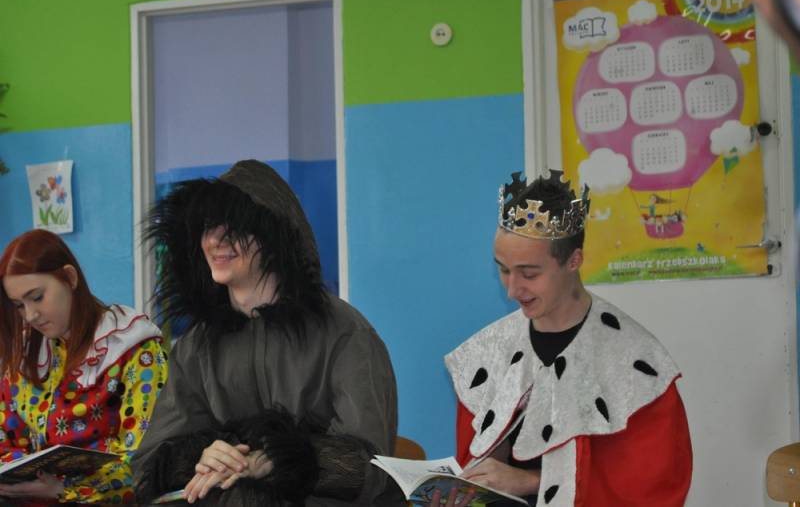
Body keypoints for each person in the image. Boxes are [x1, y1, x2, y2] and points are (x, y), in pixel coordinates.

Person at [131, 159, 399, 506]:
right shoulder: (196, 346)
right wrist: (202, 456)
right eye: (207, 227)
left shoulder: (345, 333)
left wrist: (280, 461)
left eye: (234, 227)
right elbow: (148, 464)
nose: (215, 240)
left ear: (273, 236)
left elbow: (372, 469)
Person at [438, 171, 692, 506]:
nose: (513, 289)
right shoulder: (488, 351)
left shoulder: (634, 362)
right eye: (503, 269)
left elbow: (652, 490)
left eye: (529, 273)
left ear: (574, 260)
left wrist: (531, 481)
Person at [0, 229, 167, 503]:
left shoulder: (134, 349)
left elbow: (147, 459)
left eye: (37, 297)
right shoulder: (26, 355)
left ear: (70, 278)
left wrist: (65, 490)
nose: (30, 315)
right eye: (19, 305)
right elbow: (7, 437)